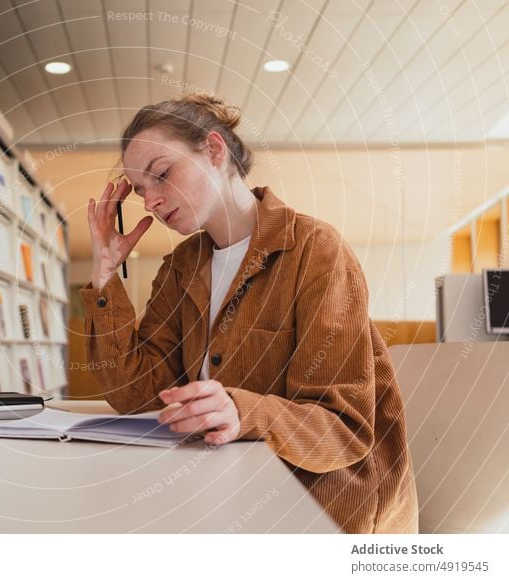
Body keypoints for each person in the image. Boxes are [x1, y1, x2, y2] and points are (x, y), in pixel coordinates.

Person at [79, 93, 418, 534]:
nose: (151, 202)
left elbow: (343, 428)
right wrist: (105, 273)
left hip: (319, 511)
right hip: (220, 492)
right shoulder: (180, 269)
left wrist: (243, 411)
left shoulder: (316, 250)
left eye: (162, 175)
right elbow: (139, 396)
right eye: (141, 191)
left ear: (215, 150)